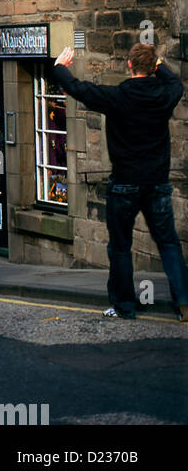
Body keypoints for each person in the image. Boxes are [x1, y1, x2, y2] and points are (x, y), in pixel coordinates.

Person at [52, 42, 188, 320]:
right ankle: (184, 302)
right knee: (169, 243)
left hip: (125, 183)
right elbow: (176, 83)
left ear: (128, 65)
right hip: (157, 183)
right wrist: (159, 64)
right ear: (152, 69)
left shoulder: (117, 97)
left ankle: (125, 306)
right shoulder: (164, 95)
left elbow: (79, 88)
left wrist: (59, 68)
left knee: (120, 247)